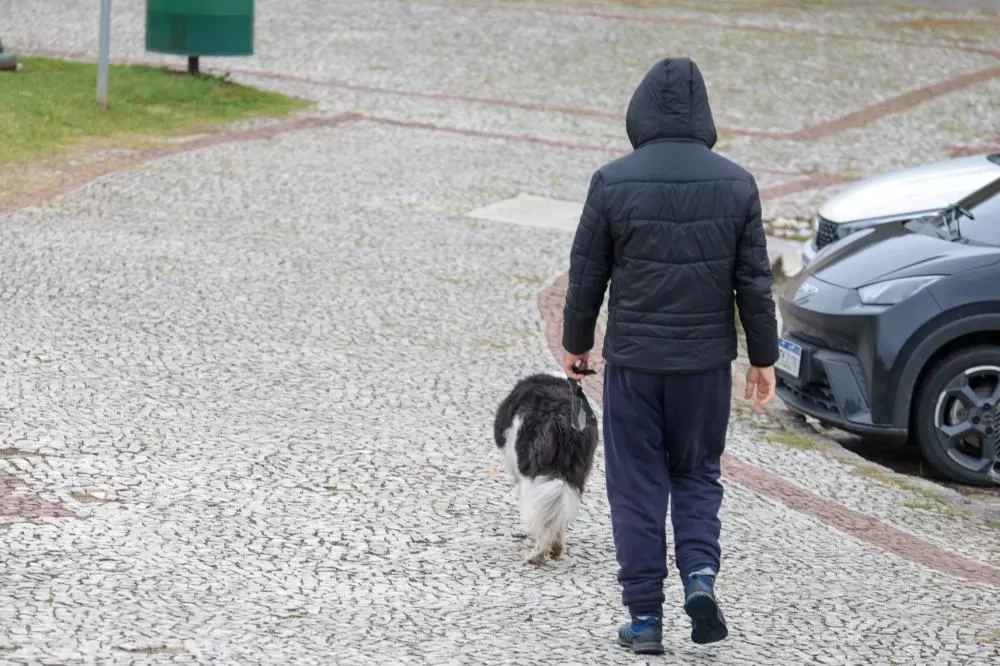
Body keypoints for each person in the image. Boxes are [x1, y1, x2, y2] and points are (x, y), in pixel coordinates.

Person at [561, 57, 779, 655]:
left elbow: (587, 276)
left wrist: (576, 344)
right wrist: (764, 357)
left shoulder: (613, 180)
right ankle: (701, 579)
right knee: (697, 475)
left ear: (639, 113)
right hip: (705, 370)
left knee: (635, 487)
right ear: (704, 115)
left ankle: (645, 618)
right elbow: (754, 282)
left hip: (634, 365)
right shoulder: (737, 183)